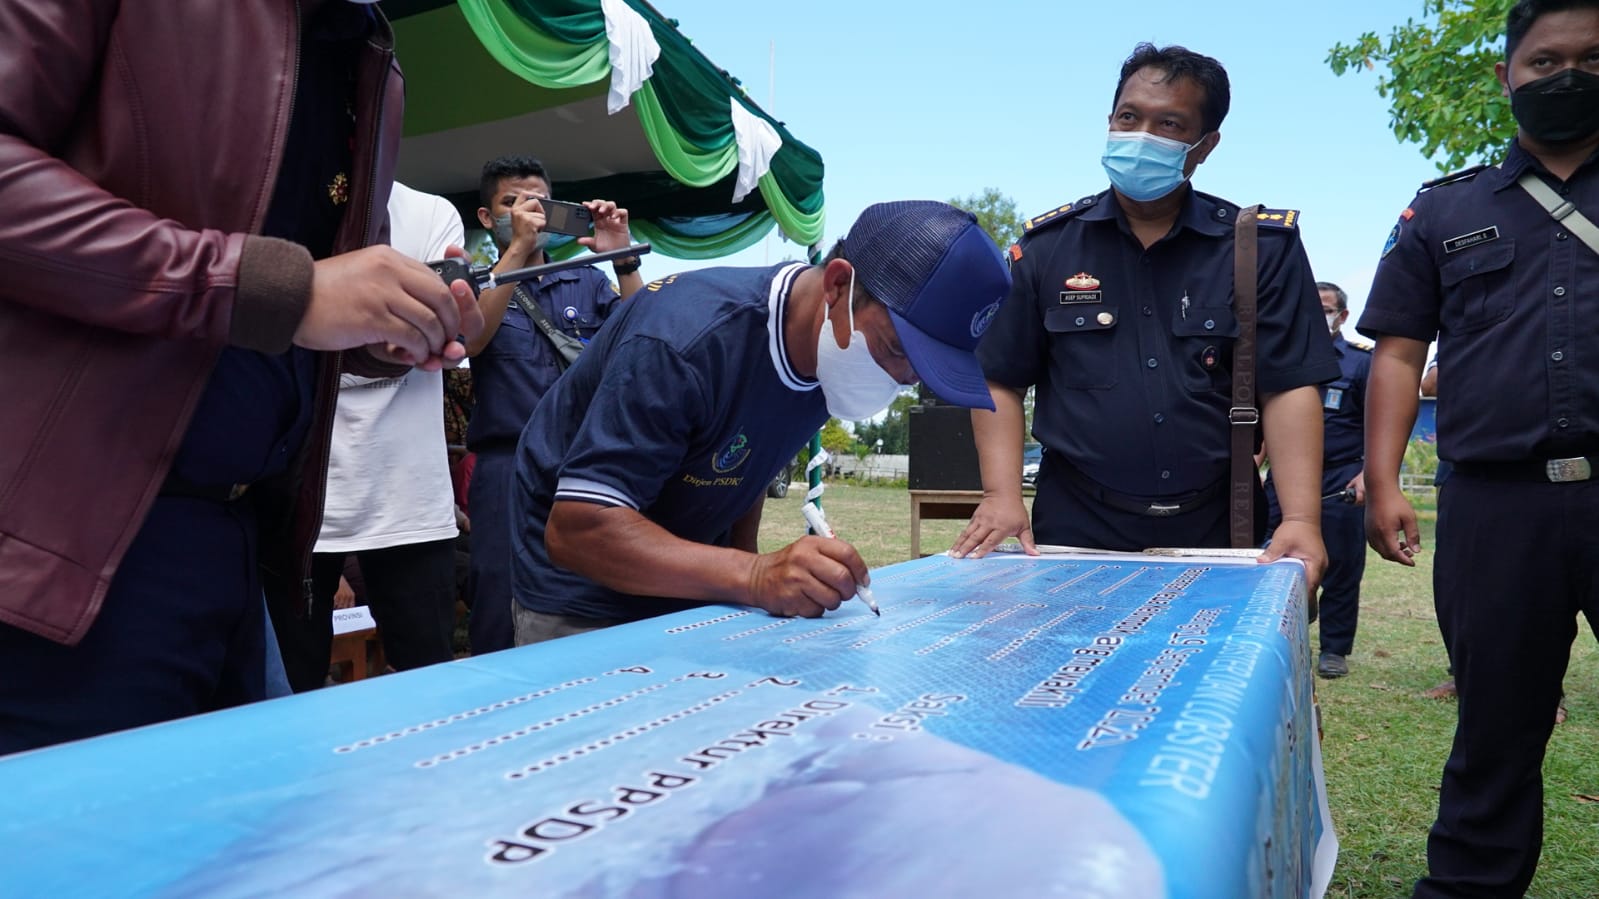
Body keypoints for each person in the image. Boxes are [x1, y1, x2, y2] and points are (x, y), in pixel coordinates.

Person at [0, 0, 482, 755]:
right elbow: (275, 288)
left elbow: (294, 301)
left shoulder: (371, 58)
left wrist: (376, 332)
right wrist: (272, 289)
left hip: (247, 548)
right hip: (56, 548)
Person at [508, 201, 1011, 642]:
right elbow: (578, 531)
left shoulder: (829, 352)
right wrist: (753, 574)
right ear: (838, 284)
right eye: (897, 349)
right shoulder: (684, 340)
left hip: (687, 580)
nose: (898, 379)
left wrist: (754, 567)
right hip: (582, 599)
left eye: (920, 371)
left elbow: (747, 455)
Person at [1358, 1, 1599, 894]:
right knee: (1494, 733)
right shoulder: (1440, 208)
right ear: (1505, 77)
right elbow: (1395, 351)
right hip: (1496, 508)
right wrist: (1382, 478)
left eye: (1589, 59)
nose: (1567, 76)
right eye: (1544, 61)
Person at [951, 43, 1338, 590]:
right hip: (1075, 522)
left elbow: (1291, 387)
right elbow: (999, 378)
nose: (1141, 136)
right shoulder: (1046, 250)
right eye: (1129, 117)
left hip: (1221, 522)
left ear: (1204, 146)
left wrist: (1300, 519)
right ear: (1109, 122)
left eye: (1169, 124)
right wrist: (1002, 495)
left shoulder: (1259, 249)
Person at [270, 183, 466, 691]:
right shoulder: (281, 200)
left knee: (430, 691)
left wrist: (318, 328)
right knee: (291, 694)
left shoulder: (430, 212)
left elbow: (450, 339)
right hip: (297, 503)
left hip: (411, 504)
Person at [463, 155, 643, 655]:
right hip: (506, 466)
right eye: (512, 203)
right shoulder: (475, 280)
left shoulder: (586, 279)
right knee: (500, 601)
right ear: (486, 217)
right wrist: (516, 252)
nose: (529, 213)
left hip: (579, 466)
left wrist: (622, 259)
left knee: (585, 596)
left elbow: (644, 337)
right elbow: (471, 340)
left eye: (539, 203)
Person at [1264, 282, 1371, 679]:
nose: (1319, 313)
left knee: (1342, 567)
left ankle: (1334, 650)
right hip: (1284, 478)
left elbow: (1380, 421)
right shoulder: (1279, 354)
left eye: (1326, 308)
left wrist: (1369, 475)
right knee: (1270, 560)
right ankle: (1276, 639)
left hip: (1341, 477)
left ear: (1342, 316)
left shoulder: (1362, 362)